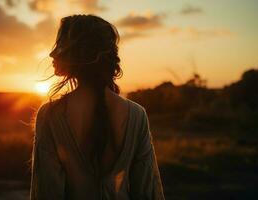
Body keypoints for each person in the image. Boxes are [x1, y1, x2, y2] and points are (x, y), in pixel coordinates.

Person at [30, 14, 165, 200]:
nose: (52, 54)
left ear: (80, 54)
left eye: (61, 45)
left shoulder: (50, 115)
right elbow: (147, 192)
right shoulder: (136, 114)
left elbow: (47, 193)